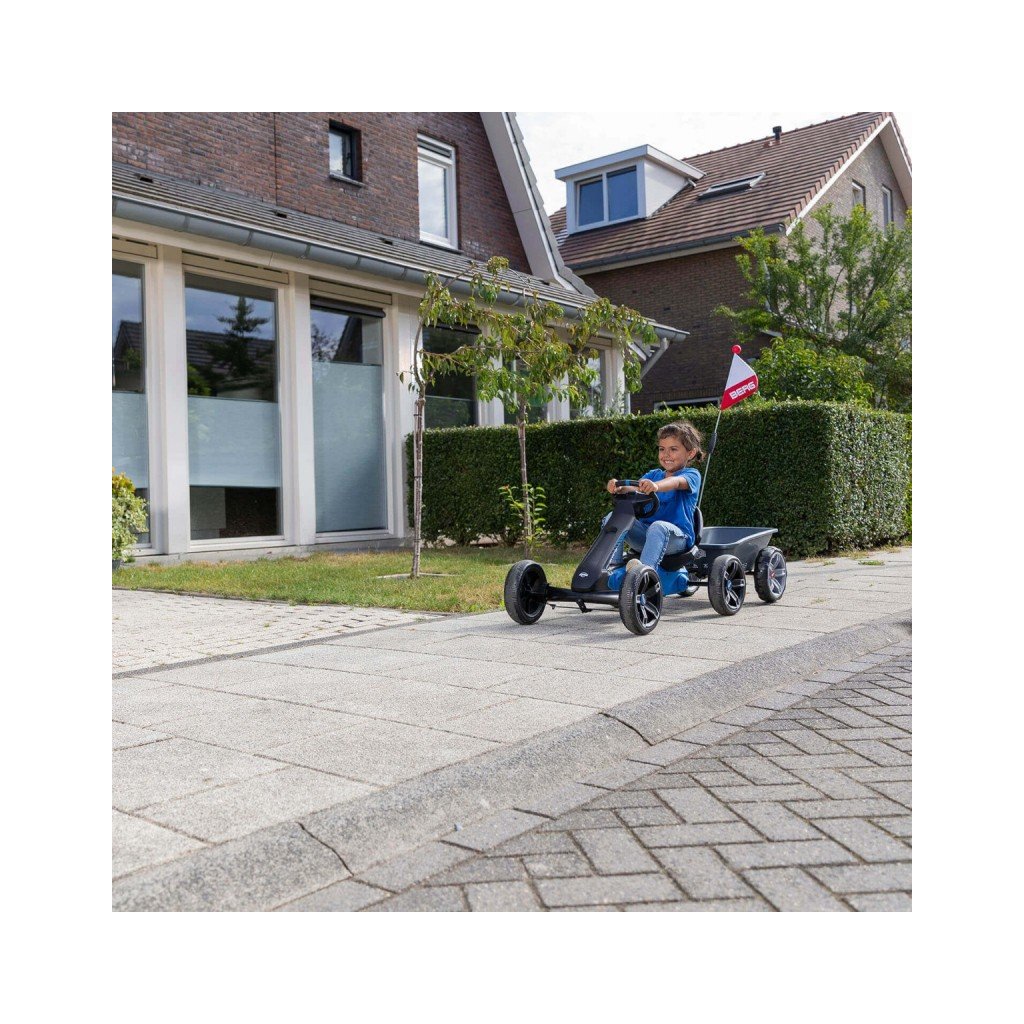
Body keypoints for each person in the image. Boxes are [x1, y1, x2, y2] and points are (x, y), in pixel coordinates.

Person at [604, 421, 705, 571]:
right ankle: (612, 567)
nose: (666, 454)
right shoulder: (654, 474)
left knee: (658, 527)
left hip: (677, 540)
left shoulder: (692, 475)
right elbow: (635, 488)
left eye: (673, 449)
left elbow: (676, 482)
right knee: (614, 516)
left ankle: (645, 573)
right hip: (645, 536)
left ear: (690, 453)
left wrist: (656, 486)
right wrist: (619, 487)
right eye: (662, 449)